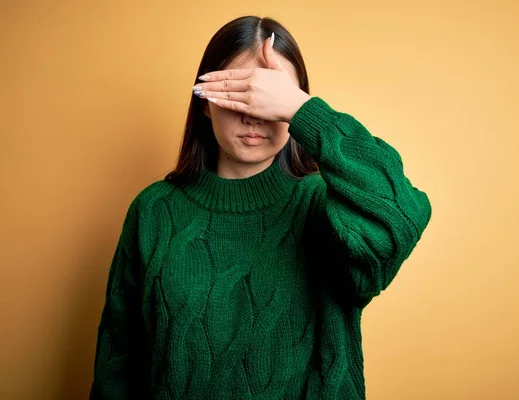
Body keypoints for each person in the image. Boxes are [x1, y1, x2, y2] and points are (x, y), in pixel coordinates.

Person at [90, 15, 432, 400]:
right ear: (204, 102)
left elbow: (402, 214)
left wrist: (305, 113)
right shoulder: (153, 211)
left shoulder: (327, 207)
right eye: (239, 92)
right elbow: (118, 362)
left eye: (271, 96)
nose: (254, 114)